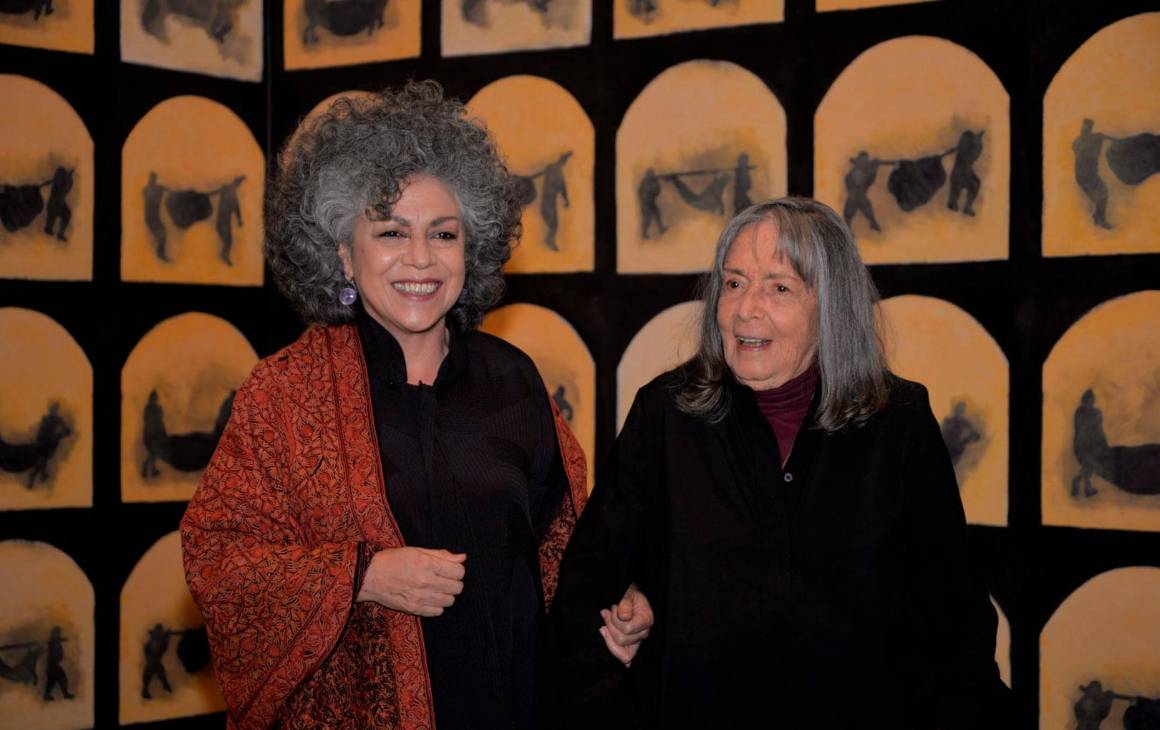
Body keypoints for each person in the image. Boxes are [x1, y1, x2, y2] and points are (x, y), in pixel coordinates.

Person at [180, 81, 650, 730]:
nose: (421, 259)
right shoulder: (283, 393)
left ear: (472, 246)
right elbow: (219, 559)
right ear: (343, 251)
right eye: (392, 232)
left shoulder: (514, 380)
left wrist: (612, 607)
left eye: (444, 233)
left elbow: (562, 552)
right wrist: (362, 576)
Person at [547, 197, 1011, 728]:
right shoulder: (667, 412)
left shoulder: (897, 422)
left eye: (779, 287)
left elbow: (953, 616)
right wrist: (629, 610)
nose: (746, 309)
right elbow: (590, 577)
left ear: (830, 307)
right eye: (735, 282)